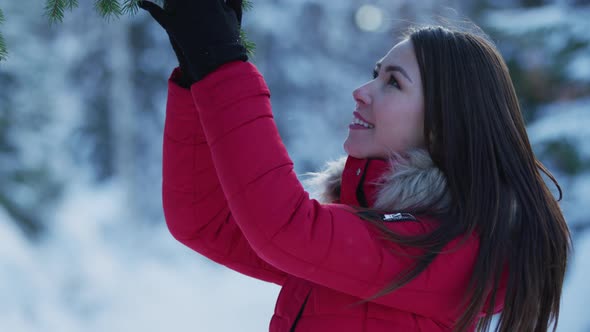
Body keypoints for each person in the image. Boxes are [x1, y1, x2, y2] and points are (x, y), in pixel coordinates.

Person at [139, 1, 572, 331]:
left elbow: (283, 228)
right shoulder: (372, 230)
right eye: (375, 72)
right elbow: (205, 221)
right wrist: (198, 64)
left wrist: (221, 60)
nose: (361, 90)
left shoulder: (451, 247)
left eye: (392, 82)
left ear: (444, 122)